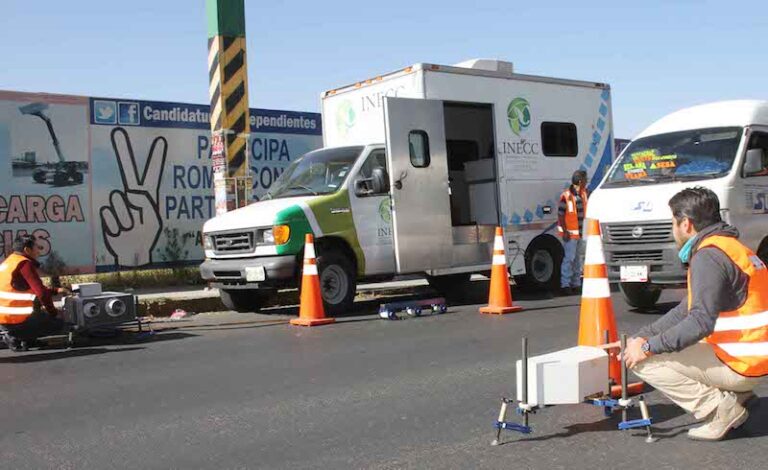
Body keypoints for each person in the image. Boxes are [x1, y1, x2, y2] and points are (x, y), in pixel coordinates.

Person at [602, 187, 767, 441]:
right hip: (756, 357)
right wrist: (641, 336)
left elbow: (699, 321)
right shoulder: (731, 247)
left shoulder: (708, 257)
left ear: (686, 224)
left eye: (673, 222)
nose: (673, 229)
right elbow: (686, 309)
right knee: (669, 343)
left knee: (644, 361)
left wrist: (646, 348)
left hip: (742, 364)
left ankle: (721, 409)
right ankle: (740, 397)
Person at [0, 234, 69, 352]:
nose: (39, 251)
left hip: (3, 319)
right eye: (37, 247)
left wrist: (56, 290)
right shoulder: (25, 264)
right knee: (62, 326)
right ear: (27, 250)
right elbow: (41, 293)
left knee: (36, 304)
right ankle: (17, 336)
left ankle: (24, 338)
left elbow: (22, 289)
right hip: (16, 320)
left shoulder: (9, 262)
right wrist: (54, 313)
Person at [556, 170, 588, 295]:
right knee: (569, 259)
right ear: (580, 181)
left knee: (578, 260)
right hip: (570, 234)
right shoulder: (566, 196)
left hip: (581, 233)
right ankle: (565, 284)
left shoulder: (584, 194)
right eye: (585, 179)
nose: (587, 182)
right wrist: (564, 231)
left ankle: (576, 283)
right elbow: (560, 215)